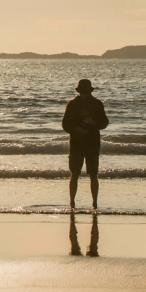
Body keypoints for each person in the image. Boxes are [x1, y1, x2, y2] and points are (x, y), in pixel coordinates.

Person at [62, 78, 109, 210]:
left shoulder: (97, 104)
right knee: (75, 174)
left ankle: (95, 203)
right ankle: (72, 203)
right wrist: (76, 129)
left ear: (90, 91)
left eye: (86, 92)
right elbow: (65, 124)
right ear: (79, 91)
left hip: (92, 144)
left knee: (93, 174)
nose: (84, 94)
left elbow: (104, 122)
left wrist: (93, 123)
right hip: (76, 144)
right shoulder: (72, 104)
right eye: (82, 92)